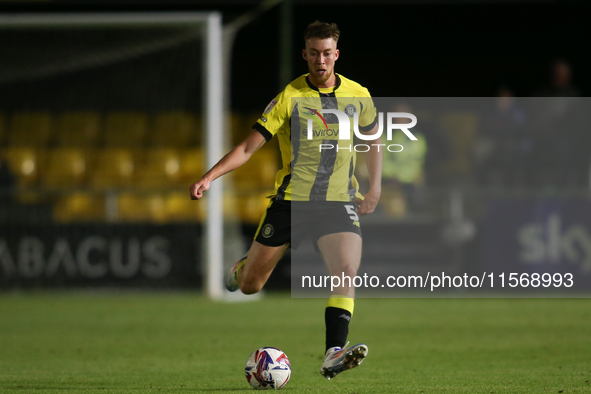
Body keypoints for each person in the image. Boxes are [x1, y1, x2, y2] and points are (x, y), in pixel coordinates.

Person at [190, 21, 382, 380]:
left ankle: (333, 353)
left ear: (336, 54)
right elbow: (249, 147)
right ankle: (240, 269)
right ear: (305, 55)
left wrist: (374, 190)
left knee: (346, 271)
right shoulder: (289, 98)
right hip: (293, 202)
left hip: (339, 202)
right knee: (250, 285)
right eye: (314, 53)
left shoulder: (359, 94)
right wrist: (209, 176)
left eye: (327, 53)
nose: (321, 60)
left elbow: (373, 140)